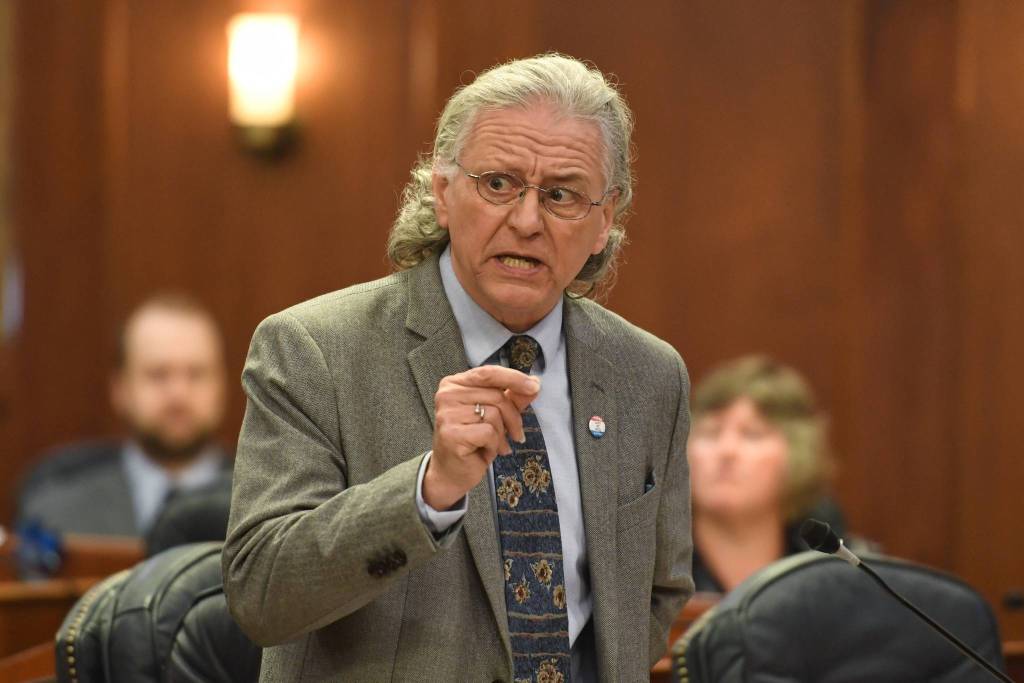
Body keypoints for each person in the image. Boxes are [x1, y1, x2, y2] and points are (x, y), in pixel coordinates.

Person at [223, 53, 694, 682]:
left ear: (604, 221)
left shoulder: (649, 375)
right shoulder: (314, 350)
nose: (526, 221)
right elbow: (260, 592)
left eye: (561, 196)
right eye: (497, 184)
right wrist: (428, 489)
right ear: (443, 193)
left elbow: (657, 592)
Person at [16, 293, 232, 537]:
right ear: (120, 390)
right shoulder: (55, 514)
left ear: (222, 387)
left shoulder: (263, 507)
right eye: (158, 374)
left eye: (196, 374)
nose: (178, 394)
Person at [686, 355, 842, 593]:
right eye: (711, 432)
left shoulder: (840, 571)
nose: (726, 450)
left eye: (752, 434)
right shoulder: (645, 567)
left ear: (798, 453)